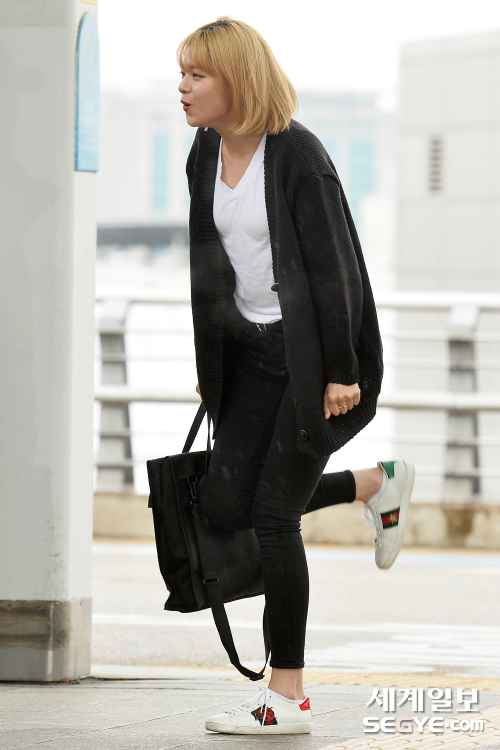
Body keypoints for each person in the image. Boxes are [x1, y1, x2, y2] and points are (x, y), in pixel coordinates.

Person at [178, 17, 415, 736]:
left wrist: (340, 370)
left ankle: (288, 698)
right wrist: (211, 364)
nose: (183, 88)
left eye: (197, 75)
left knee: (273, 517)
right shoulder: (204, 151)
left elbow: (335, 266)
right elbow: (208, 267)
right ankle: (376, 485)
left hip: (316, 359)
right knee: (227, 504)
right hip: (249, 352)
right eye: (182, 74)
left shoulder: (297, 156)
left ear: (237, 80)